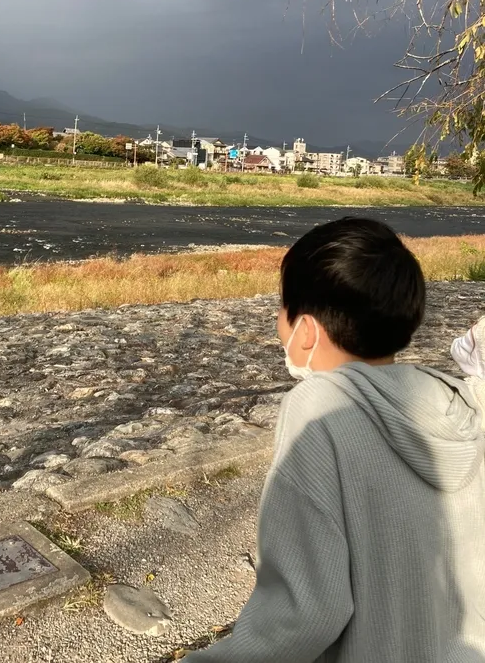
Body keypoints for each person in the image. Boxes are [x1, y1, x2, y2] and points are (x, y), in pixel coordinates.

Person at [186, 216, 485, 662]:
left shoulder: (320, 408)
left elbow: (300, 616)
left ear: (305, 330)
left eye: (281, 308)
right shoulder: (460, 398)